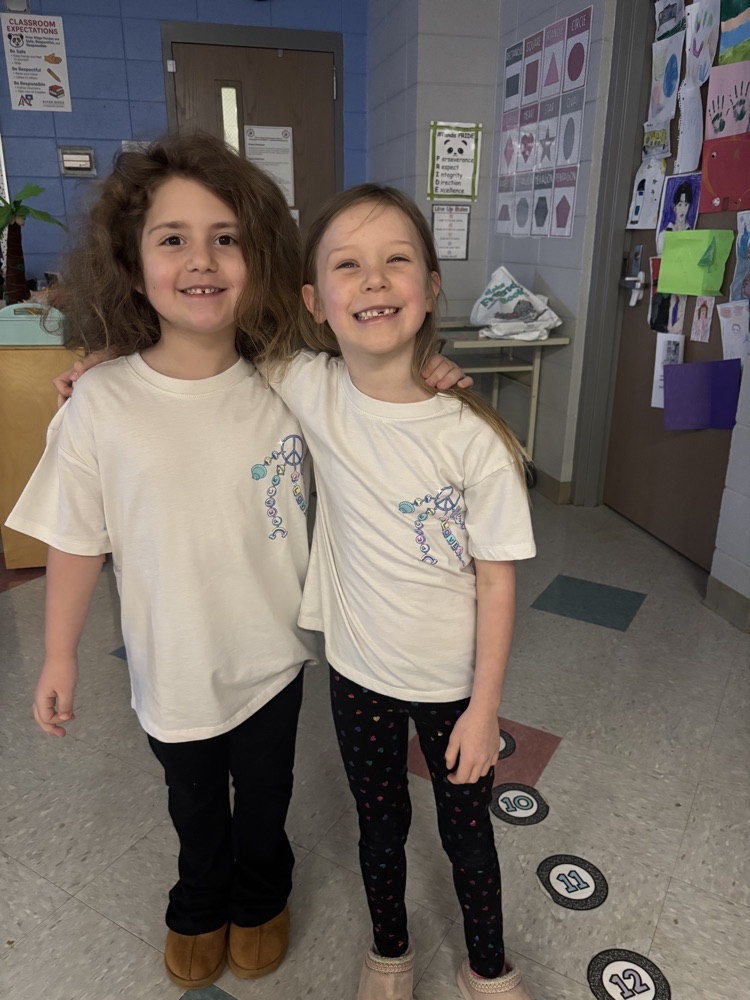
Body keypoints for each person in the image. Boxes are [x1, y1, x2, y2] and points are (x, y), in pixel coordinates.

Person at [6, 136, 466, 992]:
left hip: (272, 657)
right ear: (132, 264)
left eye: (226, 237)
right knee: (192, 804)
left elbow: (385, 387)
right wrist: (61, 654)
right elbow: (75, 535)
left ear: (258, 259)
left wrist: (430, 368)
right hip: (169, 663)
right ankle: (198, 899)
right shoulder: (100, 403)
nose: (202, 260)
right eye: (172, 239)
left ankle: (263, 894)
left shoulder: (291, 380)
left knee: (264, 799)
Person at [268, 185, 537, 1000]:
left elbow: (497, 579)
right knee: (380, 829)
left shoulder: (474, 439)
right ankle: (391, 952)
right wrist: (104, 362)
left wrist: (486, 709)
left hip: (456, 686)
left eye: (397, 262)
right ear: (316, 303)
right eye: (349, 266)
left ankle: (486, 965)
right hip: (358, 674)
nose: (375, 281)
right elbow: (201, 341)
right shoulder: (308, 385)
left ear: (430, 291)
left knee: (467, 837)